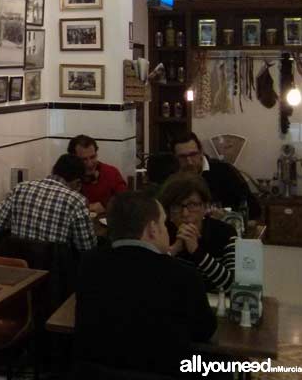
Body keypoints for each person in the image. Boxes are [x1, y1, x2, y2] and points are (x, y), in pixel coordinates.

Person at [74, 191, 216, 377]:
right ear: (152, 229)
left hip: (97, 372)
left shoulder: (89, 264)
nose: (166, 230)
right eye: (164, 224)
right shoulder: (184, 275)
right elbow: (204, 331)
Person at [0, 154, 96, 252]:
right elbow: (87, 247)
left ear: (53, 170)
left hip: (19, 267)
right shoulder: (76, 201)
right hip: (55, 270)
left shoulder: (20, 188)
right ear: (77, 183)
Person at [158, 172, 237, 292]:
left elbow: (232, 286)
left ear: (205, 207)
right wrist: (173, 250)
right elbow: (147, 279)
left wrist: (197, 251)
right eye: (177, 206)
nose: (185, 214)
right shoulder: (160, 232)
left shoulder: (226, 233)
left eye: (192, 205)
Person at [171, 133, 260, 219]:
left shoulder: (225, 171)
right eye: (182, 157)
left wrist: (226, 215)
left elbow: (254, 209)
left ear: (201, 152)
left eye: (193, 154)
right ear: (175, 157)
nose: (189, 162)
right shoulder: (171, 176)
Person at [68, 135, 127, 213]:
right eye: (84, 160)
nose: (90, 164)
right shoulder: (68, 177)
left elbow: (125, 201)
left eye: (93, 157)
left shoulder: (111, 172)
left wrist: (105, 206)